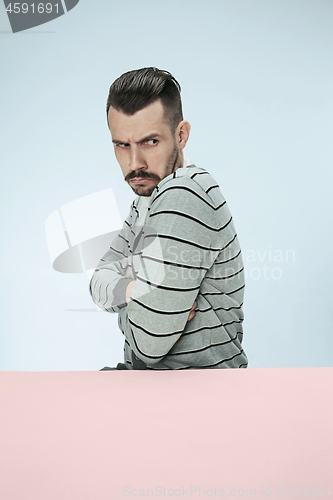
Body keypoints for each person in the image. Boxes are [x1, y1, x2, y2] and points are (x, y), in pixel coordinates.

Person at [90, 67, 248, 370]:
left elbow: (148, 345)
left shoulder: (183, 192)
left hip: (200, 397)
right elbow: (98, 284)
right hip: (157, 393)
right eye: (122, 144)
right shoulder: (144, 201)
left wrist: (131, 297)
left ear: (181, 135)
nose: (135, 163)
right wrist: (140, 291)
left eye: (150, 142)